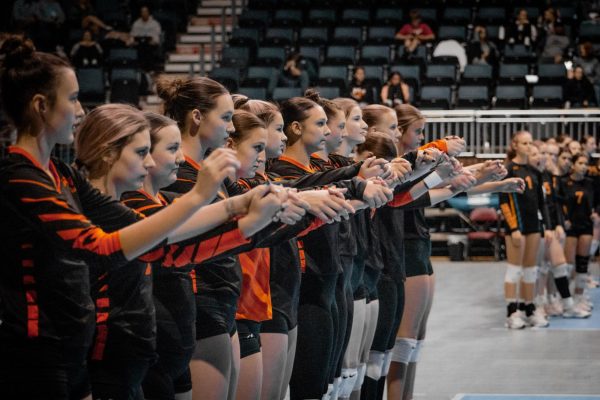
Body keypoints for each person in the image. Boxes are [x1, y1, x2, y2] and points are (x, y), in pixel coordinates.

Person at [0, 35, 242, 399]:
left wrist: (239, 207)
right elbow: (98, 247)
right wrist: (198, 196)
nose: (81, 111)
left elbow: (148, 236)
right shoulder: (18, 177)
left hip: (74, 356)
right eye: (72, 98)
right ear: (39, 106)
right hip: (38, 359)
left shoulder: (62, 174)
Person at [499, 131, 552, 329]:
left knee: (531, 270)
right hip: (516, 228)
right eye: (524, 143)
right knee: (514, 270)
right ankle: (512, 312)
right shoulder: (509, 169)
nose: (528, 146)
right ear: (515, 145)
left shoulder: (534, 171)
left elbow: (542, 203)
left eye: (530, 143)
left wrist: (546, 226)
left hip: (533, 227)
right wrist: (513, 228)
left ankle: (529, 309)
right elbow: (504, 201)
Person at [560, 153, 598, 312]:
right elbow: (558, 203)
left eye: (586, 163)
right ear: (573, 165)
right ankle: (564, 298)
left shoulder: (591, 183)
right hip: (571, 227)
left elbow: (598, 202)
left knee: (583, 263)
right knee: (568, 265)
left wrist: (597, 213)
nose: (583, 166)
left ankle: (579, 297)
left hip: (586, 225)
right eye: (580, 163)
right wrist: (563, 219)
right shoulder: (563, 183)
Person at [130, 5, 162, 70]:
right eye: (142, 12)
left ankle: (150, 69)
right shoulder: (136, 23)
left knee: (148, 48)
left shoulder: (155, 23)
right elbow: (133, 35)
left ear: (149, 12)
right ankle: (141, 69)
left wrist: (154, 41)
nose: (144, 13)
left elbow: (156, 36)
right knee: (140, 48)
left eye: (145, 11)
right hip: (139, 44)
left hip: (151, 44)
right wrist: (133, 41)